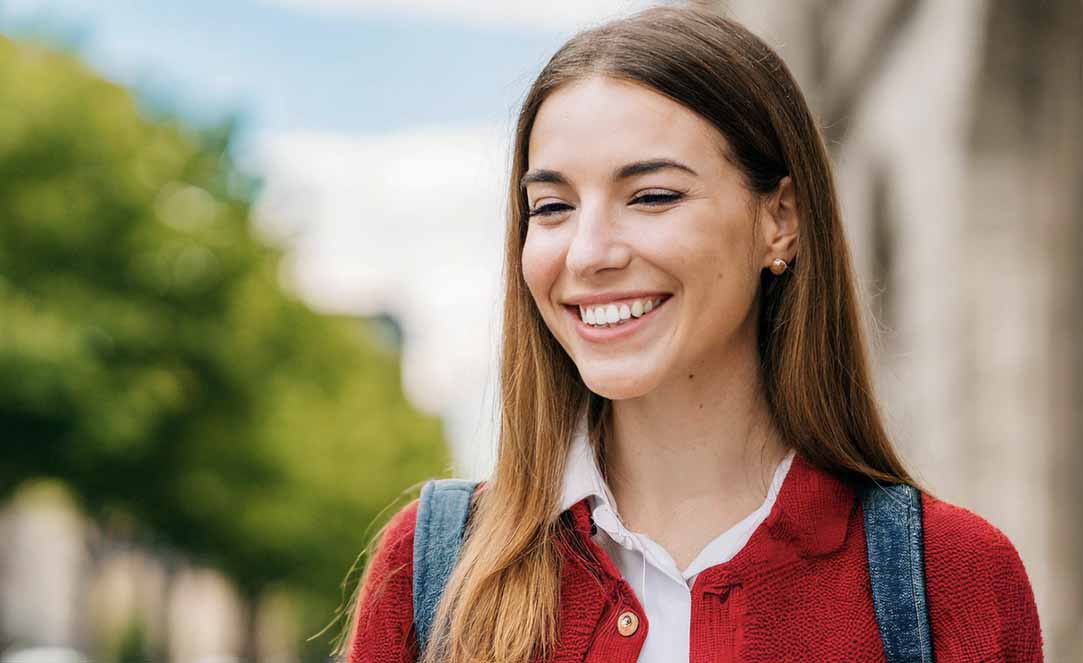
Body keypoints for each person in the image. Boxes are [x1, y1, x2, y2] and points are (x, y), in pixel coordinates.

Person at [340, 5, 1043, 663]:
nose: (587, 253)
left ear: (782, 219)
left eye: (651, 196)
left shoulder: (955, 579)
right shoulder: (429, 572)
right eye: (550, 206)